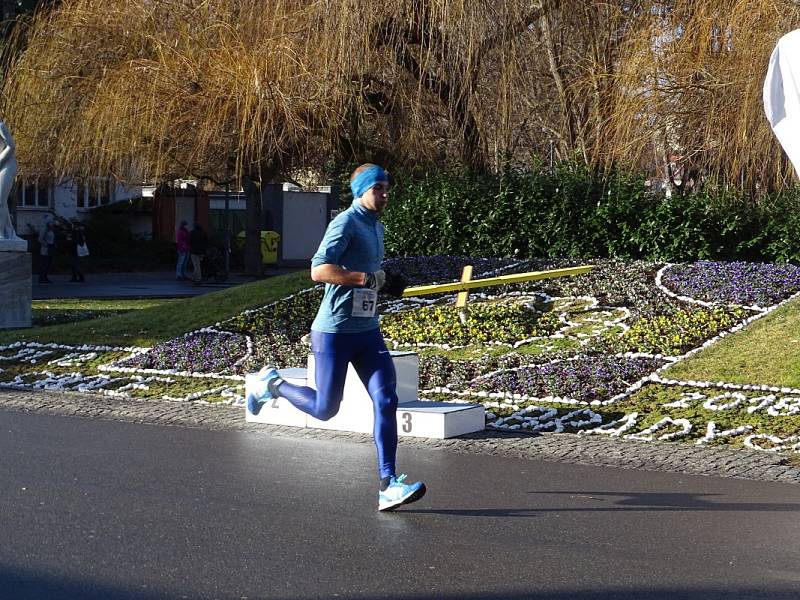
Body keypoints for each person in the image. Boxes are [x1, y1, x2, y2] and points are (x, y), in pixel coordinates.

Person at [248, 163, 424, 512]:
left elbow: (370, 275)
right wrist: (366, 279)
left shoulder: (377, 226)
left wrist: (386, 281)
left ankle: (388, 484)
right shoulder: (345, 222)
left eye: (387, 189)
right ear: (361, 191)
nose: (385, 195)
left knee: (387, 399)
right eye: (379, 189)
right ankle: (273, 385)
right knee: (326, 408)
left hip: (367, 329)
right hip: (334, 331)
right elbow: (318, 269)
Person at [0, 121, 22, 242]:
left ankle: (2, 235)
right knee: (2, 202)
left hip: (7, 164)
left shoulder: (0, 126)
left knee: (0, 200)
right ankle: (8, 231)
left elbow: (11, 146)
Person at [37, 217, 55, 283]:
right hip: (45, 250)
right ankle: (42, 278)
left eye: (52, 222)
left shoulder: (51, 230)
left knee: (48, 264)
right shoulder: (44, 230)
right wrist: (46, 244)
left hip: (51, 249)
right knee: (44, 264)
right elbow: (40, 239)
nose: (52, 223)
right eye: (51, 222)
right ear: (48, 223)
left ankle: (45, 277)